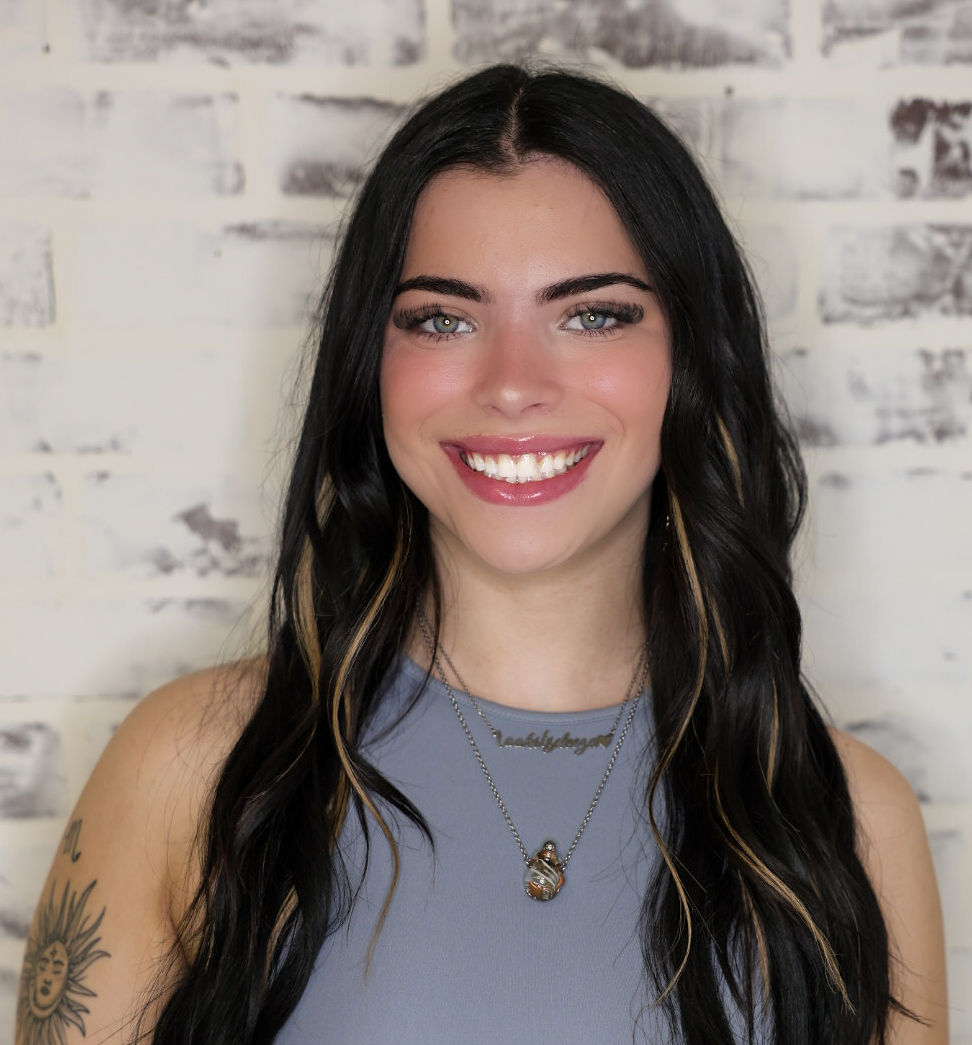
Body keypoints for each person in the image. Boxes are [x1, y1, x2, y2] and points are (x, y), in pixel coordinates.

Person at [15, 64, 947, 1045]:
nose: (512, 382)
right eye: (443, 318)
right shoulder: (191, 770)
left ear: (691, 357)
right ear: (372, 363)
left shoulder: (852, 823)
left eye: (592, 314)